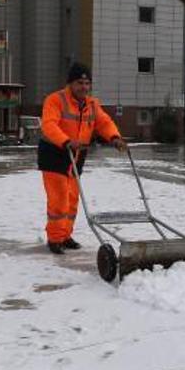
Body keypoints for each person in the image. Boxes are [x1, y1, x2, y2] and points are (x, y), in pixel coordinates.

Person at [38, 62, 127, 254]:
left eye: (87, 83)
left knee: (72, 200)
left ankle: (65, 235)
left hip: (77, 156)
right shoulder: (55, 100)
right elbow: (49, 125)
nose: (84, 87)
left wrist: (115, 137)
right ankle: (55, 239)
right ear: (70, 83)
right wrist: (66, 141)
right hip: (55, 154)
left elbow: (104, 123)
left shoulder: (92, 104)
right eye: (80, 83)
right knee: (59, 200)